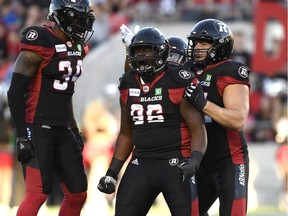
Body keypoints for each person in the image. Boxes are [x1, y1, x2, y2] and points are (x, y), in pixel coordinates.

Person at [97, 26, 207, 216]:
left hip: (175, 163)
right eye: (138, 51)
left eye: (147, 50)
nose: (142, 55)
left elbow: (198, 129)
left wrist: (194, 161)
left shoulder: (178, 80)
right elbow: (126, 133)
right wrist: (112, 172)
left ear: (162, 52)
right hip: (141, 161)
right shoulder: (128, 82)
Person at [6, 0, 95, 216]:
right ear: (61, 17)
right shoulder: (41, 41)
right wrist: (22, 135)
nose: (83, 24)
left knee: (78, 193)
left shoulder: (77, 46)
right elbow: (15, 91)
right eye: (77, 18)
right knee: (37, 193)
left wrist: (73, 129)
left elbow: (66, 94)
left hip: (62, 126)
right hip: (37, 125)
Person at [183, 19, 250, 216]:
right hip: (197, 159)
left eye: (203, 43)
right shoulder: (188, 69)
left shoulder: (231, 71)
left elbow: (238, 120)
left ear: (220, 45)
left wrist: (203, 104)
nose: (197, 48)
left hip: (228, 160)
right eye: (195, 43)